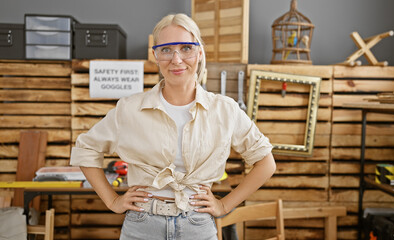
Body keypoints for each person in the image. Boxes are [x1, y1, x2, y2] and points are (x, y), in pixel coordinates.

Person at [70, 13, 276, 240]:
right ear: (156, 55)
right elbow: (86, 149)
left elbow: (266, 163)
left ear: (199, 52)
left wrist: (224, 206)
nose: (176, 59)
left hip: (198, 225)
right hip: (142, 225)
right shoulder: (129, 109)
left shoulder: (225, 110)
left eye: (186, 48)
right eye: (166, 50)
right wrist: (112, 200)